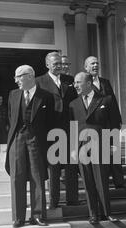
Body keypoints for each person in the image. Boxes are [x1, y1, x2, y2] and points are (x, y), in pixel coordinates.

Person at [5, 65, 55, 228]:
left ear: (30, 76)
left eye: (18, 76)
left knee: (37, 177)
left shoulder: (46, 96)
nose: (16, 80)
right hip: (17, 139)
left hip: (37, 140)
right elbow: (11, 118)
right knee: (17, 178)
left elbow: (50, 122)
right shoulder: (13, 95)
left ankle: (38, 215)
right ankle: (18, 217)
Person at [69, 72, 119, 224]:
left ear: (89, 83)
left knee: (102, 180)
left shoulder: (106, 100)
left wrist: (113, 144)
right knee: (88, 181)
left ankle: (106, 213)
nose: (75, 85)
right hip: (81, 147)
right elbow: (72, 127)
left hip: (101, 145)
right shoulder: (73, 104)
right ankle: (93, 214)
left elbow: (115, 123)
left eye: (78, 82)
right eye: (75, 83)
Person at [36, 52, 79, 209]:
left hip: (69, 130)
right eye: (55, 64)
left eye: (61, 64)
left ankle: (73, 199)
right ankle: (53, 201)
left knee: (71, 166)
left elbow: (75, 103)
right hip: (51, 132)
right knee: (53, 168)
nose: (59, 66)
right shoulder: (39, 82)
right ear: (47, 64)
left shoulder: (69, 80)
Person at [84, 56, 126, 191]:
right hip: (96, 126)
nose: (95, 66)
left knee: (115, 153)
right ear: (86, 67)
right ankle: (101, 183)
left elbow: (113, 102)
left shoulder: (105, 82)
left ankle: (119, 182)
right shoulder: (83, 83)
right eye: (92, 64)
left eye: (97, 63)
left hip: (110, 124)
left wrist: (118, 121)